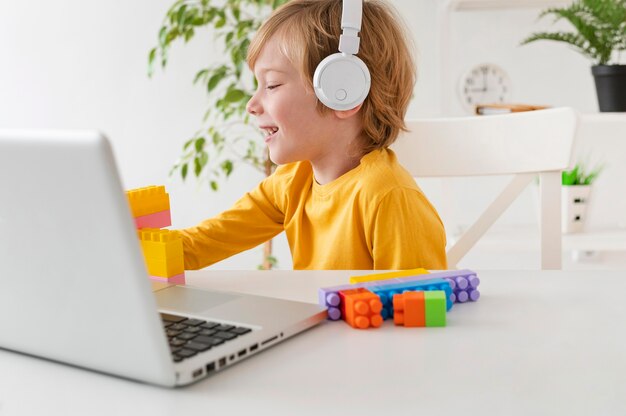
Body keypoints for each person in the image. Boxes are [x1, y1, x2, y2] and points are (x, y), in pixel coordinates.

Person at [178, 0, 447, 270]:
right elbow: (200, 244)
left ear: (343, 93)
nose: (251, 105)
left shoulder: (389, 199)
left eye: (272, 85)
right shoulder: (291, 182)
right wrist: (140, 247)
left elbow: (418, 305)